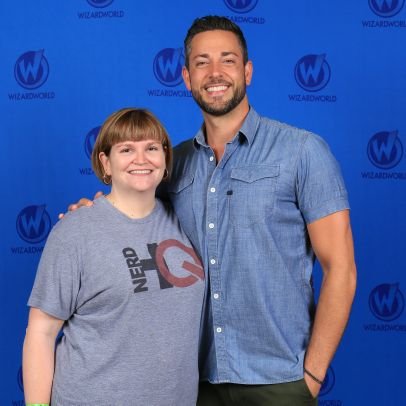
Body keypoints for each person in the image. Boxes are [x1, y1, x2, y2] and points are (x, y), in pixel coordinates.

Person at [69, 16, 357, 405]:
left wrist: (311, 375)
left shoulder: (303, 151)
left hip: (279, 380)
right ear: (186, 77)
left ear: (248, 71)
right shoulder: (173, 163)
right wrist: (94, 213)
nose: (215, 73)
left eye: (228, 60)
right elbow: (133, 218)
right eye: (202, 62)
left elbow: (341, 268)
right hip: (190, 383)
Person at [23, 108, 204, 406]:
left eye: (152, 148)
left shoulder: (183, 221)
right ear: (105, 162)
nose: (142, 159)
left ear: (166, 158)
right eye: (126, 149)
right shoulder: (75, 232)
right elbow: (41, 333)